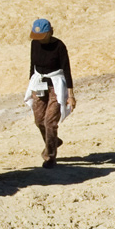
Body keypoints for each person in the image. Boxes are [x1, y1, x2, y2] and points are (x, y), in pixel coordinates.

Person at [26, 18, 76, 168]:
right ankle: (54, 141)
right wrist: (31, 84)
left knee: (50, 121)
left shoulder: (59, 46)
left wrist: (71, 95)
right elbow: (32, 65)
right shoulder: (34, 43)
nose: (39, 40)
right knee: (39, 120)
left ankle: (50, 156)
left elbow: (66, 70)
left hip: (56, 85)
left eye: (42, 36)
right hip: (39, 83)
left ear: (50, 32)